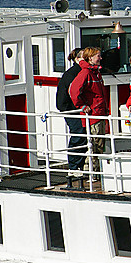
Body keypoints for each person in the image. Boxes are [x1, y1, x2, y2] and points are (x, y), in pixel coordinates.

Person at [69, 47, 108, 175]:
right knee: (94, 146)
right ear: (90, 58)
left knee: (98, 146)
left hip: (99, 114)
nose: (101, 58)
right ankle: (91, 174)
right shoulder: (86, 73)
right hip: (93, 116)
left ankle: (94, 173)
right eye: (98, 56)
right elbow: (73, 91)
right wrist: (82, 106)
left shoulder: (95, 72)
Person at [56, 48, 85, 177]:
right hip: (71, 109)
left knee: (82, 136)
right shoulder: (72, 74)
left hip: (76, 109)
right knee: (79, 134)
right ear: (77, 59)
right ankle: (74, 166)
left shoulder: (80, 72)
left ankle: (79, 166)